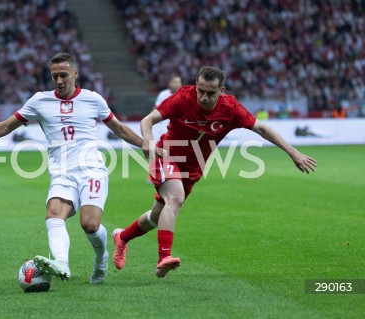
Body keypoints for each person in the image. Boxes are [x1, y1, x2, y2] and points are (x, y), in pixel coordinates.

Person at [0, 53, 143, 285]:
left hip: (91, 169)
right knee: (54, 214)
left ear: (75, 73)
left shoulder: (93, 99)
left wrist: (146, 144)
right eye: (54, 76)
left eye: (63, 75)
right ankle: (61, 264)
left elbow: (120, 129)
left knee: (90, 225)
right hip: (61, 172)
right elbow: (5, 127)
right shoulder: (39, 101)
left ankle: (101, 257)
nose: (59, 80)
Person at [112, 66, 317, 278]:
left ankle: (122, 237)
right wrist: (149, 140)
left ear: (222, 91)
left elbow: (262, 129)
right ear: (196, 85)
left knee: (157, 215)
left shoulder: (231, 109)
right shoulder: (182, 97)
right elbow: (148, 120)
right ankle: (164, 258)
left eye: (210, 93)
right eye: (201, 90)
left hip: (193, 167)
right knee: (176, 198)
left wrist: (293, 153)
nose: (203, 97)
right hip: (167, 155)